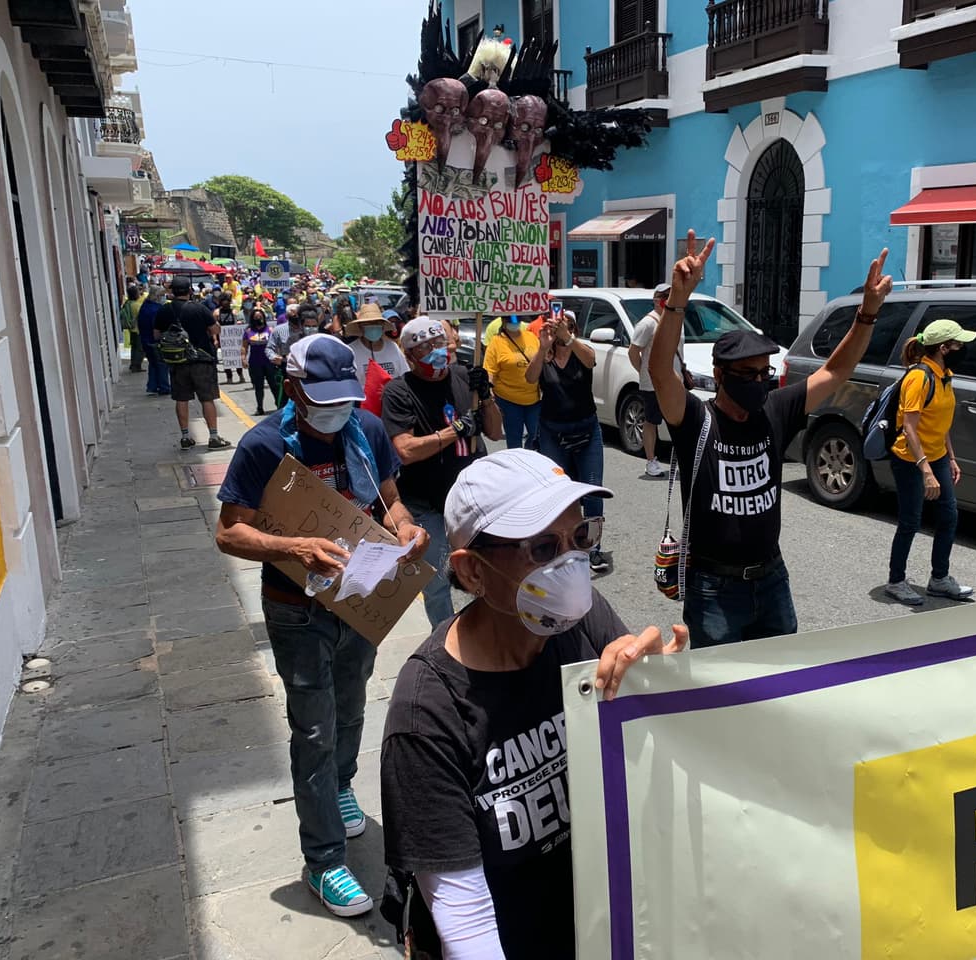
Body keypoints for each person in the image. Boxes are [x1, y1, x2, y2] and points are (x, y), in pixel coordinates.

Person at [379, 449, 688, 958]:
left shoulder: (581, 622)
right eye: (543, 548)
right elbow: (467, 923)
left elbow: (651, 763)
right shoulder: (427, 715)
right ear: (473, 572)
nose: (572, 563)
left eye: (581, 537)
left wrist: (663, 684)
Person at [215, 335, 428, 919]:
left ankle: (340, 785)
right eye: (323, 400)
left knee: (353, 705)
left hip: (358, 600)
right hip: (295, 609)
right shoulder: (263, 447)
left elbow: (391, 499)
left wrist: (407, 529)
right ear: (292, 389)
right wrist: (292, 546)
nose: (337, 412)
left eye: (345, 400)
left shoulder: (368, 432)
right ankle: (324, 860)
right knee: (313, 727)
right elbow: (229, 531)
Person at [649, 230, 892, 648]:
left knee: (779, 690)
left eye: (765, 372)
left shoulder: (774, 411)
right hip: (713, 589)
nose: (760, 382)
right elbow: (658, 372)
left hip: (771, 579)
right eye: (748, 374)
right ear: (721, 376)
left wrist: (867, 315)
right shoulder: (694, 419)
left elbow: (834, 372)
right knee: (722, 700)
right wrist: (677, 302)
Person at [381, 317, 502, 626]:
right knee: (436, 584)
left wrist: (486, 397)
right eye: (424, 347)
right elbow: (405, 451)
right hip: (426, 504)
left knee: (489, 570)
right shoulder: (399, 391)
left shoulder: (464, 376)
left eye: (438, 343)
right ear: (408, 356)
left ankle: (490, 630)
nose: (436, 351)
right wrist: (455, 431)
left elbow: (495, 431)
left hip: (472, 499)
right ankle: (444, 638)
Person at [883, 319, 976, 606]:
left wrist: (950, 457)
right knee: (910, 521)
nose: (963, 348)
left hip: (935, 456)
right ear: (944, 348)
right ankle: (896, 581)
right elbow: (910, 427)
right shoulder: (919, 378)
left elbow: (940, 421)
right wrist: (925, 469)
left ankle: (939, 579)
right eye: (959, 344)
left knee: (949, 516)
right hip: (910, 458)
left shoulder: (945, 375)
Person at [526, 309, 610, 573]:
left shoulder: (581, 352)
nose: (563, 330)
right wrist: (543, 347)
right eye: (558, 325)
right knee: (560, 492)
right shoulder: (544, 357)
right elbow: (530, 378)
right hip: (553, 433)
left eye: (569, 325)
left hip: (586, 431)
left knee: (593, 490)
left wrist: (569, 339)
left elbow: (592, 359)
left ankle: (593, 548)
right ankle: (563, 545)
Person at [155, 277, 231, 450]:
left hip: (177, 361)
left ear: (172, 292)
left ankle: (185, 436)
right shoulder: (199, 308)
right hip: (201, 359)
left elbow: (156, 335)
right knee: (207, 398)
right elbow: (214, 330)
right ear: (190, 291)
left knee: (181, 399)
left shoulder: (164, 311)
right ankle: (213, 437)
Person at [629, 283, 685, 478]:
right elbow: (633, 351)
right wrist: (645, 372)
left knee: (678, 421)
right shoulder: (648, 323)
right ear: (658, 300)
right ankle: (651, 461)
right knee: (652, 420)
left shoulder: (676, 320)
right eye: (666, 296)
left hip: (674, 381)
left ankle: (679, 460)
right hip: (653, 383)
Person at [484, 314, 541, 449]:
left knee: (536, 436)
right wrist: (488, 392)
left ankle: (529, 461)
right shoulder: (496, 342)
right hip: (508, 400)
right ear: (503, 321)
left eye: (517, 320)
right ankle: (517, 466)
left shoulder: (531, 337)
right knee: (514, 439)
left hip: (534, 398)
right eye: (510, 320)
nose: (514, 323)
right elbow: (489, 371)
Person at [348, 306, 409, 380]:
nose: (373, 326)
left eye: (377, 323)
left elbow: (405, 375)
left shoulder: (393, 347)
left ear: (383, 326)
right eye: (368, 323)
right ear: (360, 327)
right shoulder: (351, 352)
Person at [137, 284, 171, 396]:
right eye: (162, 295)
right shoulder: (156, 309)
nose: (163, 297)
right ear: (157, 296)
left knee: (153, 363)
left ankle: (152, 385)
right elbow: (157, 327)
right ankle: (164, 387)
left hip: (145, 340)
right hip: (154, 340)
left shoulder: (144, 306)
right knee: (161, 364)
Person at [241, 307, 276, 415]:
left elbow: (276, 345)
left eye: (260, 317)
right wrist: (243, 358)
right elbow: (244, 346)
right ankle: (260, 407)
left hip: (269, 362)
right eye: (256, 317)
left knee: (274, 385)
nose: (258, 319)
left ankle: (279, 405)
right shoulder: (248, 331)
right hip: (255, 363)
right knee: (258, 387)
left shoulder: (270, 330)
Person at [215, 293, 246, 385]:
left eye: (228, 301)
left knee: (237, 358)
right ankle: (229, 378)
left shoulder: (234, 312)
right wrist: (215, 339)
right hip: (223, 339)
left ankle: (241, 376)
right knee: (226, 359)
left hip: (234, 339)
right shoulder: (217, 313)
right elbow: (214, 327)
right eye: (224, 301)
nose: (226, 303)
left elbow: (238, 325)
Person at [120, 283, 144, 372]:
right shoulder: (137, 305)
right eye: (138, 292)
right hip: (138, 330)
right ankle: (136, 366)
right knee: (139, 349)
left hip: (131, 329)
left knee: (134, 348)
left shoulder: (127, 303)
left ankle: (133, 364)